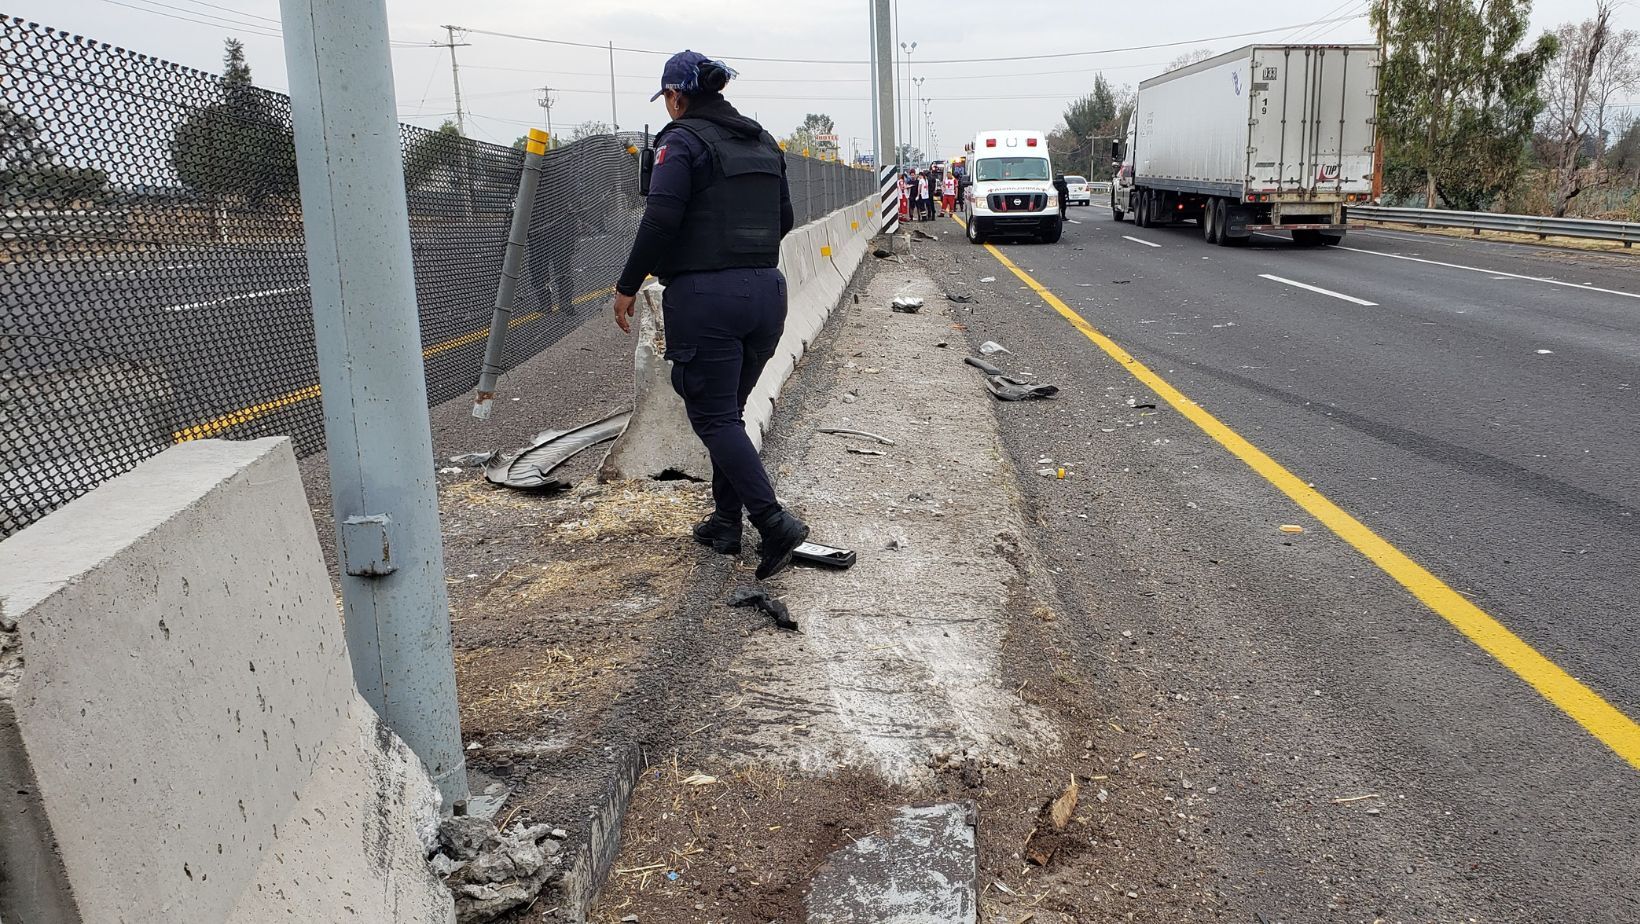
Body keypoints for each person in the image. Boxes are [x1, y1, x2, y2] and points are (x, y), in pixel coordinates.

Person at [612, 50, 809, 579]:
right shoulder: (762, 139)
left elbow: (659, 221)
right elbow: (785, 217)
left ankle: (772, 522)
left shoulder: (680, 141)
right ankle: (725, 522)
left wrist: (628, 286)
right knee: (729, 412)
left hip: (706, 300)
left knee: (714, 416)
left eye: (669, 99)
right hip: (768, 294)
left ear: (677, 96)